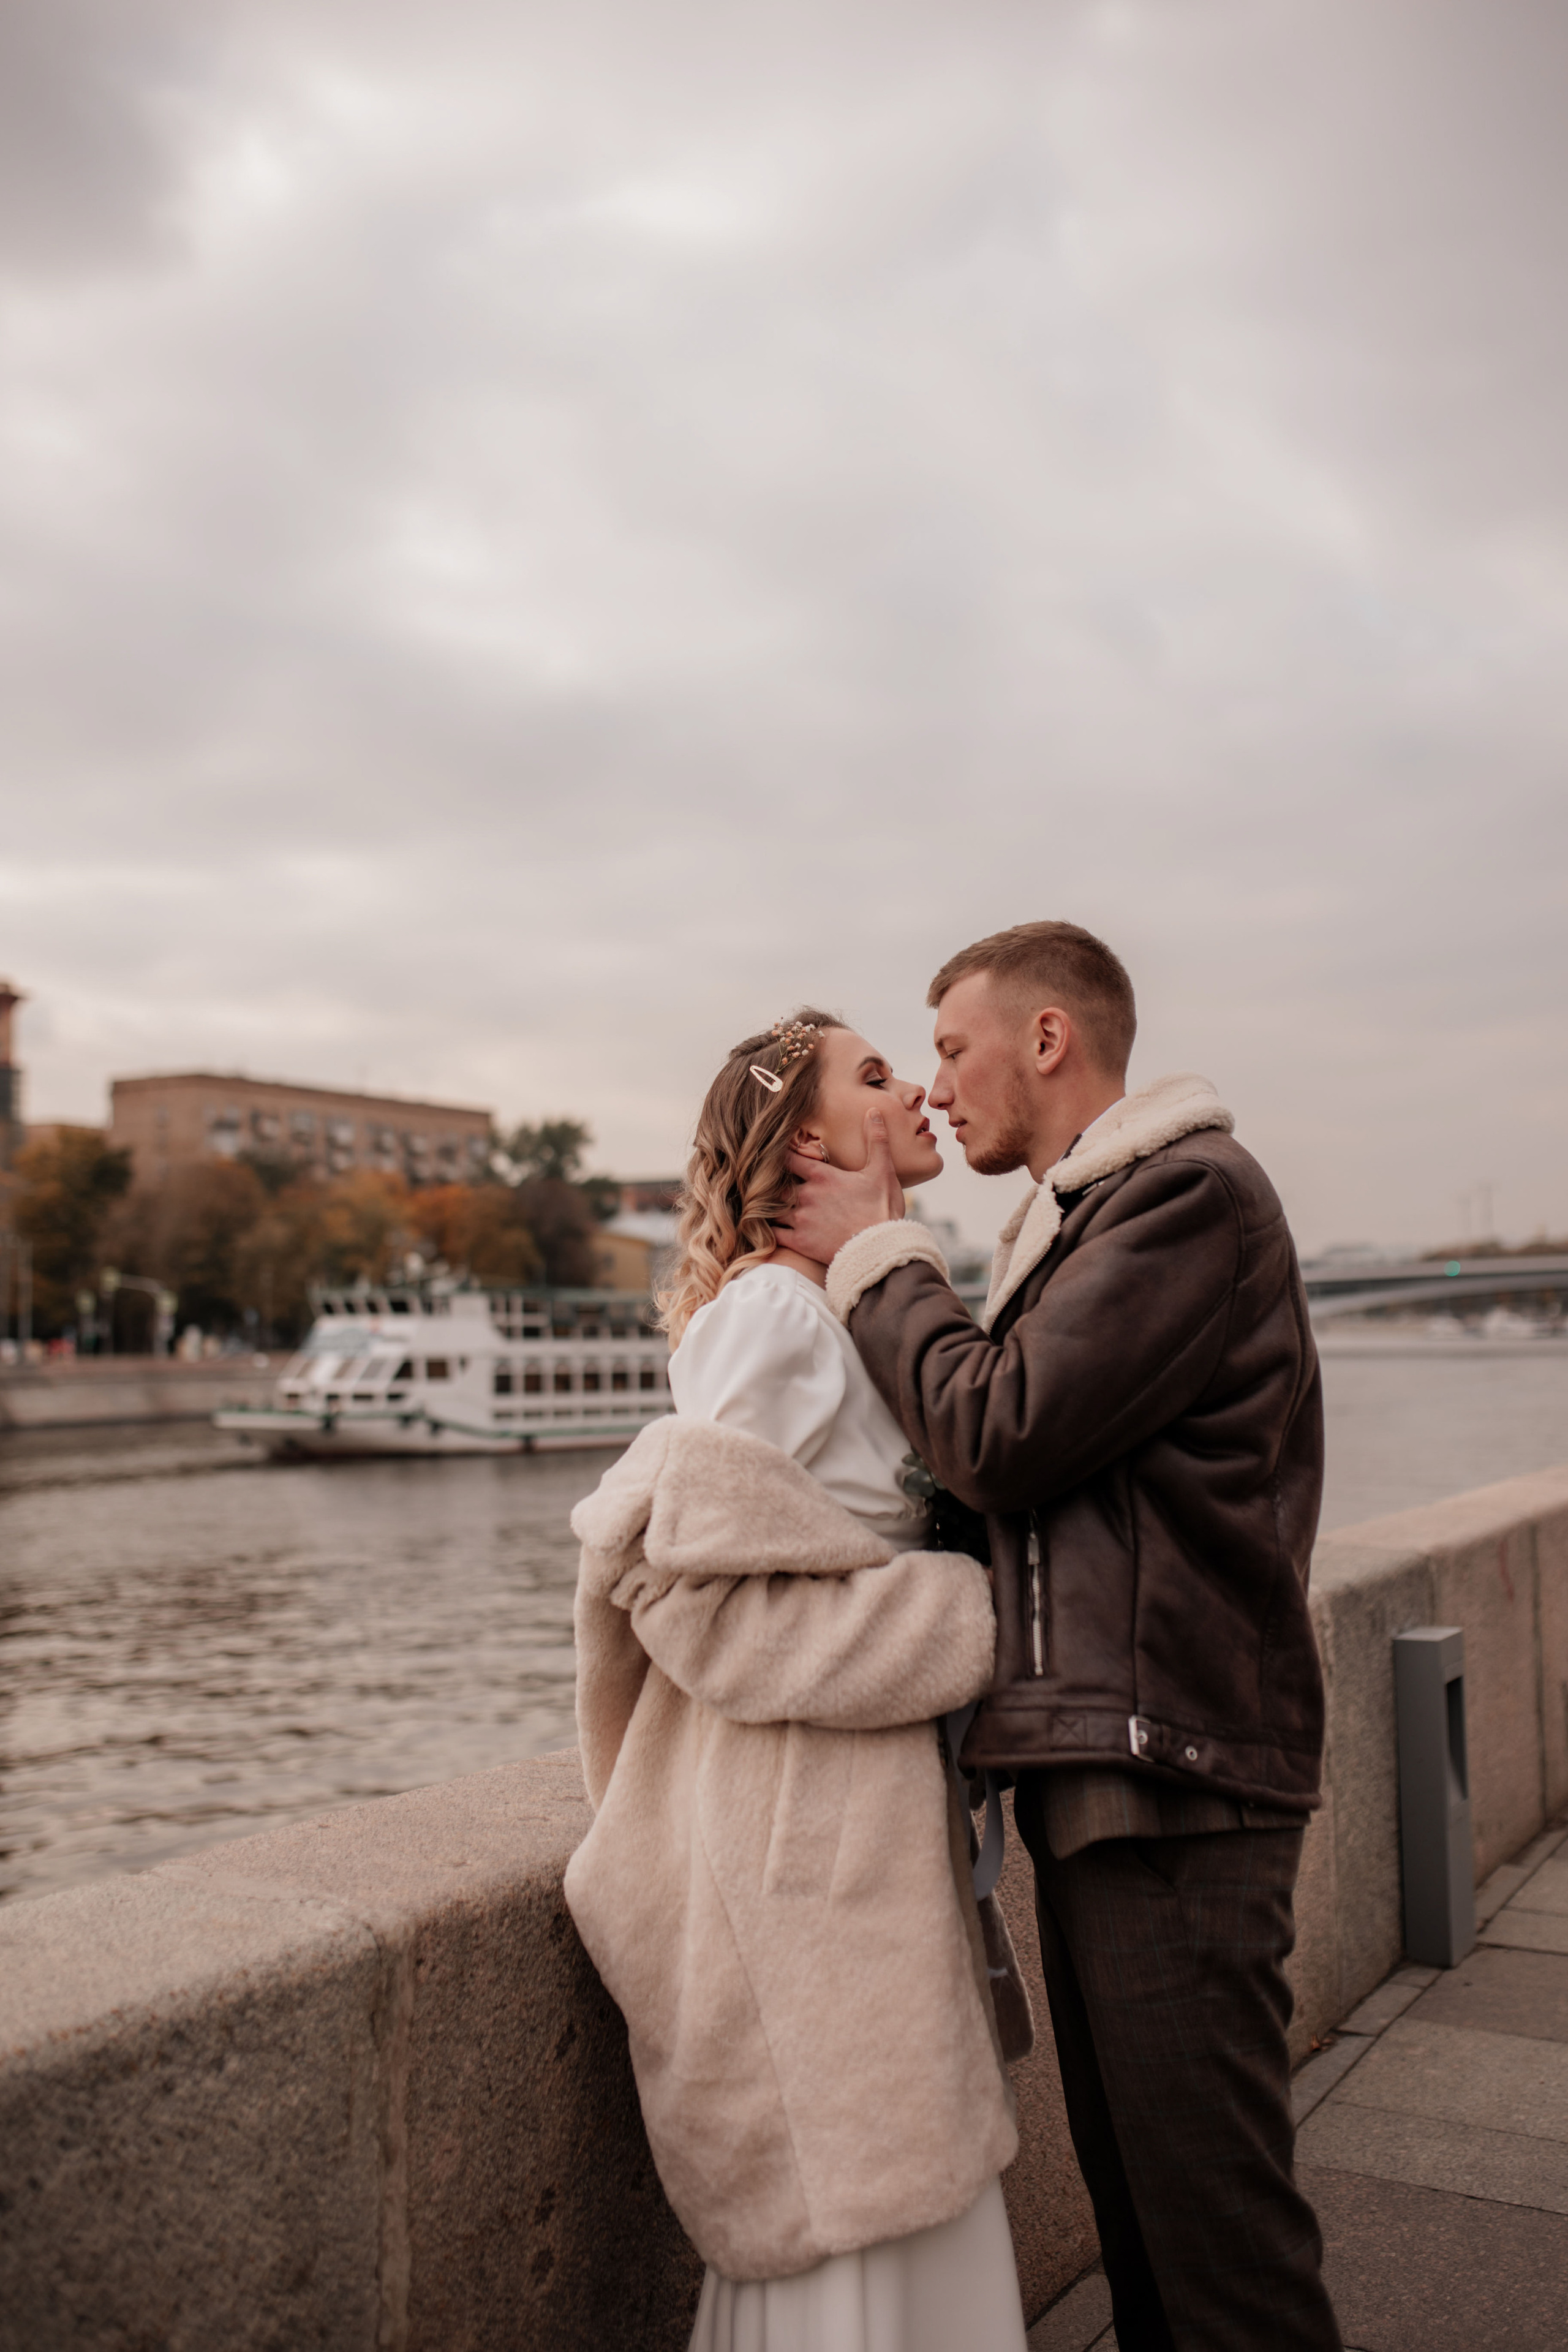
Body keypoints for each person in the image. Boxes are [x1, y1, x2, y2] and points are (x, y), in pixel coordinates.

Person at [778, 922, 1343, 2352]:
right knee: (1152, 2237)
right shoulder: (1096, 1220)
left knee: (1219, 2258)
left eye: (954, 1049)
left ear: (1047, 1039)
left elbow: (995, 1431)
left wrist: (876, 1258)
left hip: (1174, 1787)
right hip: (1124, 1776)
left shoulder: (1184, 1197)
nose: (935, 1088)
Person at [563, 1009, 1032, 2352]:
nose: (918, 1095)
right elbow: (687, 1579)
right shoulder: (773, 1309)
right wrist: (964, 1614)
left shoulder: (850, 1301)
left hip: (857, 1824)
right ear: (809, 1142)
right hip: (801, 1841)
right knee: (855, 2199)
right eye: (876, 1078)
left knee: (887, 2193)